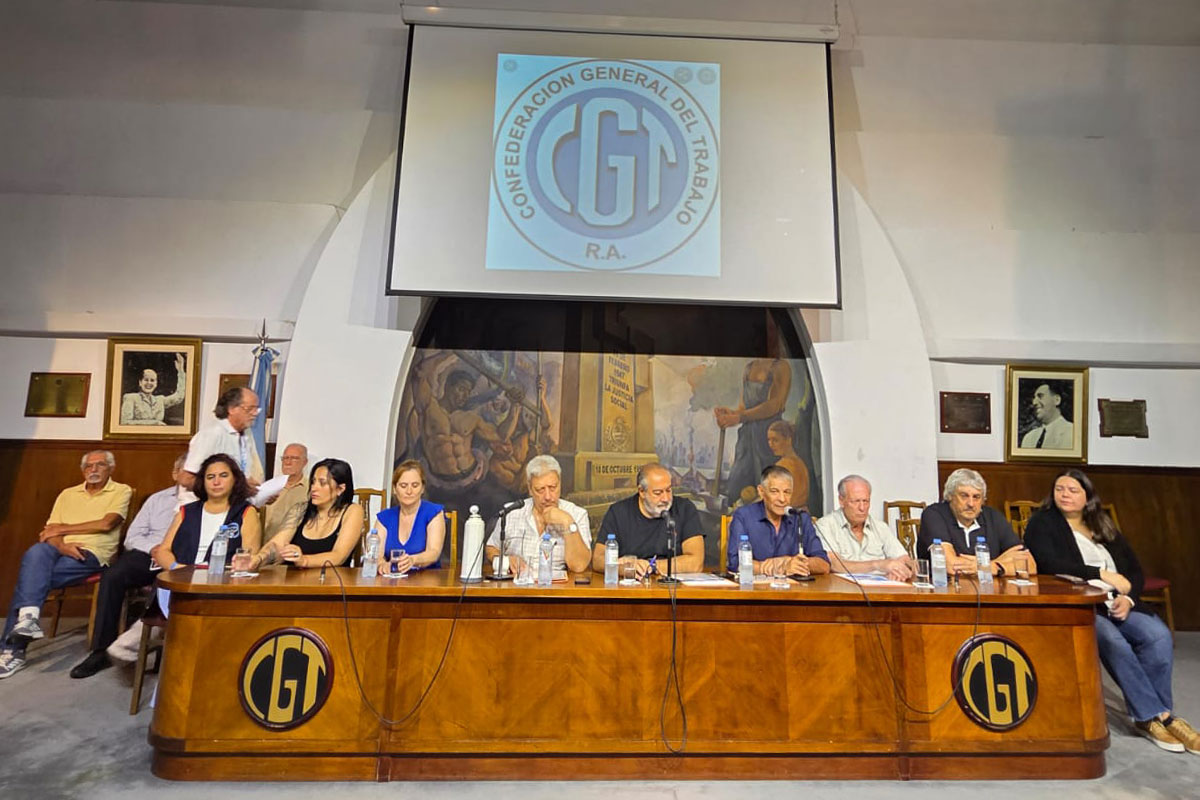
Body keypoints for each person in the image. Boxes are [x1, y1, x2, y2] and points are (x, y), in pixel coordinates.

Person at [1023, 469, 1198, 754]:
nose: (1065, 495)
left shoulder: (1101, 522)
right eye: (1059, 489)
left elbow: (1133, 570)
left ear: (1087, 496)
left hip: (1118, 600)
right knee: (1114, 642)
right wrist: (1101, 574)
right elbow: (1047, 563)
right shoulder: (1042, 522)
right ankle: (1158, 717)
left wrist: (1129, 599)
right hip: (1082, 602)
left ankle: (1154, 713)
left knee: (1158, 636)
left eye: (1073, 490)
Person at [0, 451, 132, 679]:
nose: (93, 469)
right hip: (60, 551)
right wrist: (62, 546)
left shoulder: (121, 490)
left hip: (92, 554)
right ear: (82, 470)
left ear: (111, 468)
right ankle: (27, 621)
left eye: (100, 465)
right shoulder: (67, 494)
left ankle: (12, 649)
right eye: (88, 466)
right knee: (37, 551)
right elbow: (48, 533)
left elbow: (106, 524)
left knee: (29, 580)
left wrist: (62, 530)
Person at [69, 454, 189, 679]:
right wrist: (154, 549)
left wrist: (169, 555)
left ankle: (149, 646)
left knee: (166, 582)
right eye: (188, 470)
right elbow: (132, 537)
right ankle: (101, 650)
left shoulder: (205, 503)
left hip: (180, 559)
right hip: (147, 552)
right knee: (113, 576)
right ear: (175, 473)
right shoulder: (157, 500)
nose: (193, 475)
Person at [593, 462, 704, 580]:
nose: (666, 499)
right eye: (658, 493)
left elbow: (696, 562)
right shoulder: (618, 512)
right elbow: (598, 560)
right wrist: (624, 568)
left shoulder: (684, 509)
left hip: (673, 586)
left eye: (668, 490)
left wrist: (652, 566)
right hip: (631, 585)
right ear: (642, 491)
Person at [486, 455, 592, 576]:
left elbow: (579, 566)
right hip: (517, 584)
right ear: (530, 489)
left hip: (556, 586)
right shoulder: (512, 512)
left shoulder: (577, 514)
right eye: (540, 490)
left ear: (560, 484)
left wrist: (567, 522)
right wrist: (505, 560)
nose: (548, 497)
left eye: (552, 488)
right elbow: (491, 548)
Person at [917, 468, 1034, 578]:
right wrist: (1001, 562)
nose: (971, 504)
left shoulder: (993, 516)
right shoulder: (934, 514)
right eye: (964, 496)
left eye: (976, 497)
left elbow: (1030, 565)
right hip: (945, 590)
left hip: (990, 590)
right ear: (950, 496)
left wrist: (994, 567)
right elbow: (951, 566)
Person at [156, 454, 261, 572]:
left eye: (223, 476)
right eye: (210, 477)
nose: (216, 482)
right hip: (182, 576)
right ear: (203, 482)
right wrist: (177, 568)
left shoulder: (245, 512)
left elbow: (249, 557)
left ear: (235, 479)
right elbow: (163, 551)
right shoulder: (186, 511)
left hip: (223, 578)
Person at [251, 458, 362, 570]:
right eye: (313, 482)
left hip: (332, 579)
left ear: (340, 489)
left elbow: (338, 556)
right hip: (294, 579)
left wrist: (304, 560)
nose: (314, 488)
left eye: (322, 483)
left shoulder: (353, 511)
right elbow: (278, 543)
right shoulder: (300, 509)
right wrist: (258, 559)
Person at [727, 465, 829, 577]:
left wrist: (790, 562)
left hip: (793, 587)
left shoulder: (800, 518)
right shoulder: (743, 516)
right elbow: (735, 563)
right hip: (756, 586)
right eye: (774, 491)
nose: (782, 499)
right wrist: (773, 567)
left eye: (787, 492)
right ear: (761, 492)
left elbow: (823, 564)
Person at [714, 357, 791, 506]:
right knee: (737, 486)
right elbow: (744, 408)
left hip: (767, 438)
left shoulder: (780, 366)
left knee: (768, 488)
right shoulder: (749, 368)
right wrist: (731, 414)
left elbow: (775, 404)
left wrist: (740, 417)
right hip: (746, 439)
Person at [815, 474, 912, 581]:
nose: (862, 508)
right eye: (856, 501)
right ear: (841, 501)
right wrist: (878, 565)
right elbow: (835, 564)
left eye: (866, 501)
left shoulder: (881, 527)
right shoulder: (826, 525)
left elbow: (904, 559)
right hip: (843, 588)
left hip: (880, 587)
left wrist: (900, 571)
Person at [182, 386, 264, 492]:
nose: (255, 413)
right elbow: (187, 479)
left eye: (257, 409)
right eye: (249, 409)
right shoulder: (212, 434)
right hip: (202, 502)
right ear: (231, 409)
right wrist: (238, 485)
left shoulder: (246, 435)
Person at [375, 460, 446, 574]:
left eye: (415, 485)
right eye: (403, 486)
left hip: (427, 578)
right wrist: (382, 565)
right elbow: (376, 555)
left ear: (422, 488)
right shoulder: (384, 518)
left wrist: (413, 560)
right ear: (394, 489)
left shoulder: (433, 512)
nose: (409, 491)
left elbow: (434, 552)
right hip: (392, 579)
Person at [118, 354, 186, 425]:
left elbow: (179, 396)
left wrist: (181, 371)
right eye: (146, 380)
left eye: (152, 380)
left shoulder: (160, 400)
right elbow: (125, 422)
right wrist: (154, 423)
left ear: (156, 383)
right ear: (140, 382)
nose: (149, 383)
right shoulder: (131, 398)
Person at [262, 442, 310, 541]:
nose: (288, 462)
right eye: (285, 458)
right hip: (264, 543)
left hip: (293, 545)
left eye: (294, 458)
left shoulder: (311, 490)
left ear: (305, 462)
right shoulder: (269, 487)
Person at [765, 419, 810, 510]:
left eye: (775, 440)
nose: (770, 444)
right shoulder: (800, 463)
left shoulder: (782, 466)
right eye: (769, 440)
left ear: (788, 440)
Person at [1020, 381, 1074, 450]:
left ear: (1057, 400)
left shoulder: (1072, 433)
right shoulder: (1029, 438)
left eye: (1040, 396)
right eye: (1034, 398)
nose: (1034, 402)